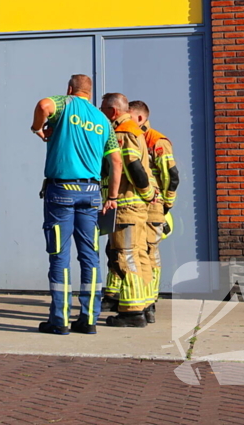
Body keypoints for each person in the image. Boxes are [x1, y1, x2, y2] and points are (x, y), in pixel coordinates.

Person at [31, 75, 122, 335]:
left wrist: (38, 128)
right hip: (92, 193)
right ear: (90, 94)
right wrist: (112, 197)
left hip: (61, 190)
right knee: (90, 257)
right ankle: (89, 319)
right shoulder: (102, 119)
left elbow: (43, 106)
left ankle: (59, 320)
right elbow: (116, 161)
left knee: (60, 257)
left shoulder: (65, 103)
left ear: (70, 89)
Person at [99, 93, 159, 328]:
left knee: (125, 257)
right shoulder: (137, 131)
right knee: (140, 257)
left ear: (113, 112)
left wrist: (144, 192)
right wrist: (147, 195)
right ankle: (143, 305)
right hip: (137, 207)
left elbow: (132, 165)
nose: (101, 113)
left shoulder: (123, 133)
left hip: (126, 205)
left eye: (104, 109)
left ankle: (132, 313)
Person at [129, 100, 180, 324]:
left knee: (148, 251)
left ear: (140, 118)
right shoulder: (135, 137)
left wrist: (166, 203)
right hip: (138, 203)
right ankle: (140, 300)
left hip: (153, 204)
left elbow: (171, 174)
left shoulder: (156, 141)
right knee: (136, 251)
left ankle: (149, 302)